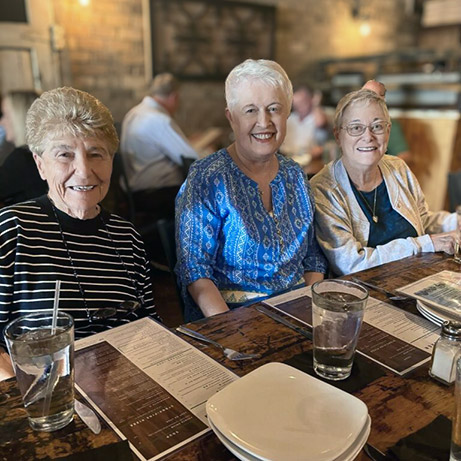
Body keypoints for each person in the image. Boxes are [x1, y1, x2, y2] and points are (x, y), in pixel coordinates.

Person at [0, 87, 160, 380]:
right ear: (40, 164)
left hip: (125, 387)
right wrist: (24, 394)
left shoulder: (127, 236)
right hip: (46, 397)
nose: (84, 171)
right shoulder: (12, 230)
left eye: (96, 153)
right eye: (65, 154)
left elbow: (149, 324)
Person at [175, 59, 327, 322]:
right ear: (231, 117)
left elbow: (313, 258)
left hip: (298, 314)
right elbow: (195, 272)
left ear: (287, 112)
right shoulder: (207, 177)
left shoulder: (295, 175)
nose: (263, 121)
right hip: (232, 320)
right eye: (250, 111)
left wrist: (308, 309)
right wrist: (231, 335)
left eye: (274, 109)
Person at [310, 89, 456, 276]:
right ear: (338, 135)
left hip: (417, 278)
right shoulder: (323, 189)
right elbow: (351, 264)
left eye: (377, 126)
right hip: (363, 295)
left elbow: (423, 220)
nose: (368, 136)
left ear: (388, 131)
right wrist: (424, 245)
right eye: (356, 128)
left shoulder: (398, 168)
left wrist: (455, 222)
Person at [120, 73, 198, 218]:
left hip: (135, 192)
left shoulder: (133, 113)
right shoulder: (158, 119)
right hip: (156, 193)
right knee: (206, 195)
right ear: (174, 97)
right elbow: (192, 158)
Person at [0, 90, 47, 206]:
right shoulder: (40, 153)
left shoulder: (22, 158)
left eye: (6, 115)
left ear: (19, 118)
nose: (2, 122)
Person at [362, 80, 412, 164]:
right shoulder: (351, 121)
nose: (368, 99)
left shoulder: (389, 124)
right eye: (364, 95)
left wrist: (383, 169)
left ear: (382, 100)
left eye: (373, 96)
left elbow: (405, 156)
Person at [281, 83, 329, 160]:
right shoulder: (290, 118)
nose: (299, 107)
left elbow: (321, 123)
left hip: (309, 160)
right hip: (286, 157)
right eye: (296, 104)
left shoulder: (317, 116)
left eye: (302, 103)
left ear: (311, 99)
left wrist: (316, 103)